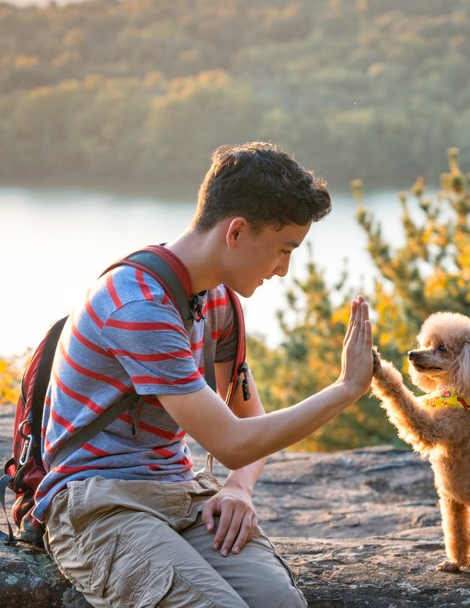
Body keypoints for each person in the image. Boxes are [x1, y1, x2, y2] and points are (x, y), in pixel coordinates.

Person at [33, 142, 375, 608]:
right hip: (98, 503)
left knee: (282, 603)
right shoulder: (139, 306)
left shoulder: (216, 299)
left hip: (182, 495)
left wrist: (238, 487)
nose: (283, 270)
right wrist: (346, 388)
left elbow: (250, 420)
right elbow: (233, 442)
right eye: (283, 250)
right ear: (236, 232)